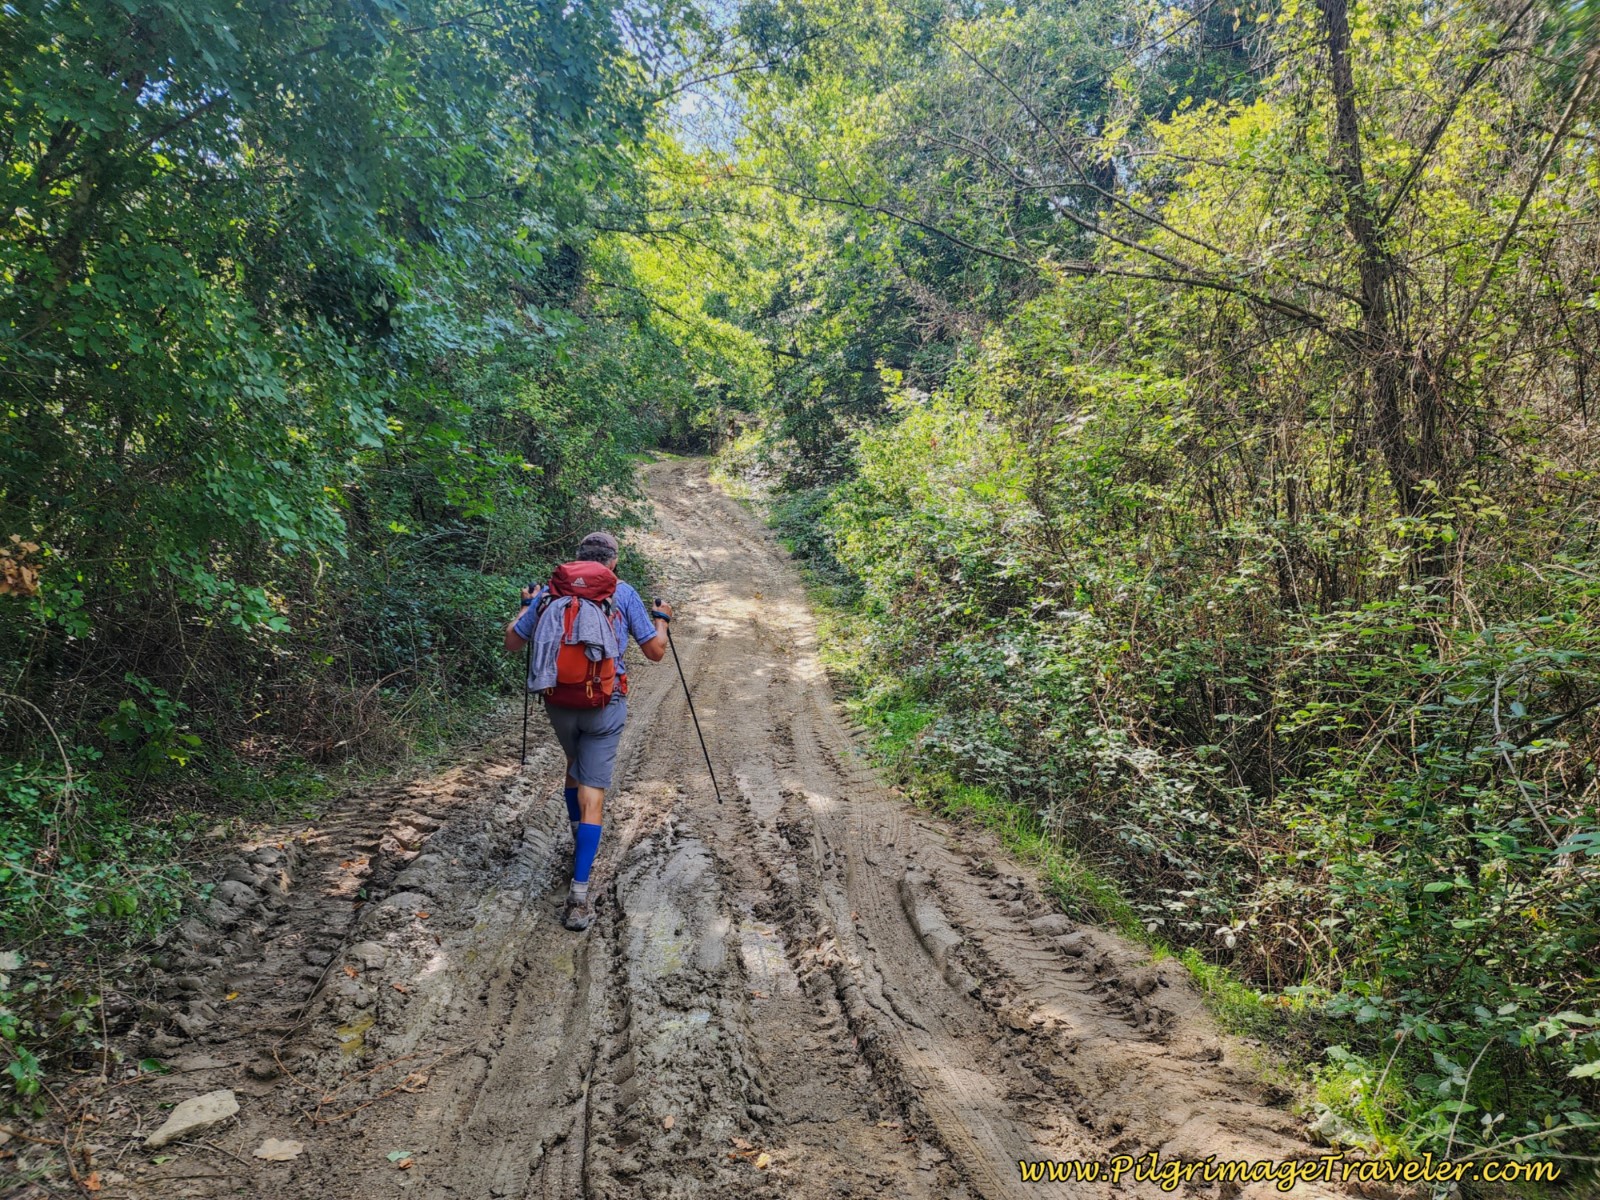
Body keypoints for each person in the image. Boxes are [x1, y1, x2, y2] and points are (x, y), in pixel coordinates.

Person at [504, 531, 671, 931]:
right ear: (613, 562)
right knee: (592, 791)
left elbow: (512, 641)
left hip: (558, 701)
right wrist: (663, 618)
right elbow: (655, 652)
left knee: (574, 763)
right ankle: (579, 896)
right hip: (604, 703)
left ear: (577, 557)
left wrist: (526, 606)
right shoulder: (624, 592)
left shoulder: (549, 592)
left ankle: (579, 837)